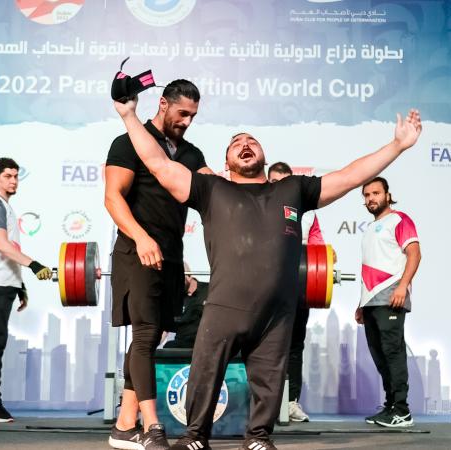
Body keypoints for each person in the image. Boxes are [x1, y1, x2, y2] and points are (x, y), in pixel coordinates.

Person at [112, 95, 421, 450]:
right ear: (225, 164)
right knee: (204, 377)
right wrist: (129, 115)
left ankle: (258, 437)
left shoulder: (292, 189)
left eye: (251, 141)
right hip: (225, 309)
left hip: (276, 316)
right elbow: (158, 163)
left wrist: (397, 145)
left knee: (269, 388)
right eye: (235, 144)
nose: (244, 145)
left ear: (264, 156)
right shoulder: (211, 188)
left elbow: (350, 176)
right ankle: (196, 435)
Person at [105, 80, 213, 450]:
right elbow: (112, 198)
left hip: (171, 258)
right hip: (137, 252)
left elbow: (214, 189)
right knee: (145, 336)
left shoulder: (192, 154)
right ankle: (152, 426)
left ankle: (123, 426)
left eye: (193, 116)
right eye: (182, 113)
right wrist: (140, 237)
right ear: (163, 103)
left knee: (150, 341)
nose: (186, 121)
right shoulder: (128, 142)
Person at [0, 157, 52, 423]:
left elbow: (9, 252)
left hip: (3, 283)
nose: (13, 181)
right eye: (8, 176)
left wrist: (20, 285)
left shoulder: (5, 206)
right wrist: (34, 265)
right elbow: (2, 246)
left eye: (16, 176)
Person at [355, 177, 421, 428]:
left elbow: (415, 254)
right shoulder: (370, 228)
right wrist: (360, 303)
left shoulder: (400, 220)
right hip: (371, 300)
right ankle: (391, 406)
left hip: (392, 295)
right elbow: (370, 266)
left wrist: (403, 286)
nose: (371, 198)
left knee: (393, 353)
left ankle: (402, 410)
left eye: (375, 193)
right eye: (367, 195)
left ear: (387, 194)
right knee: (380, 354)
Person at [267, 162, 327, 423]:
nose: (279, 186)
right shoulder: (256, 207)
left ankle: (290, 402)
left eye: (284, 181)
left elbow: (317, 251)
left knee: (293, 346)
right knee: (261, 346)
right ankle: (261, 403)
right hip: (264, 289)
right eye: (274, 182)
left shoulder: (309, 214)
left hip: (297, 289)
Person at [163, 268, 208, 349]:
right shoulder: (173, 299)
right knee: (169, 346)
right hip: (181, 344)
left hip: (204, 342)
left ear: (189, 276)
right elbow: (164, 329)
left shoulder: (209, 290)